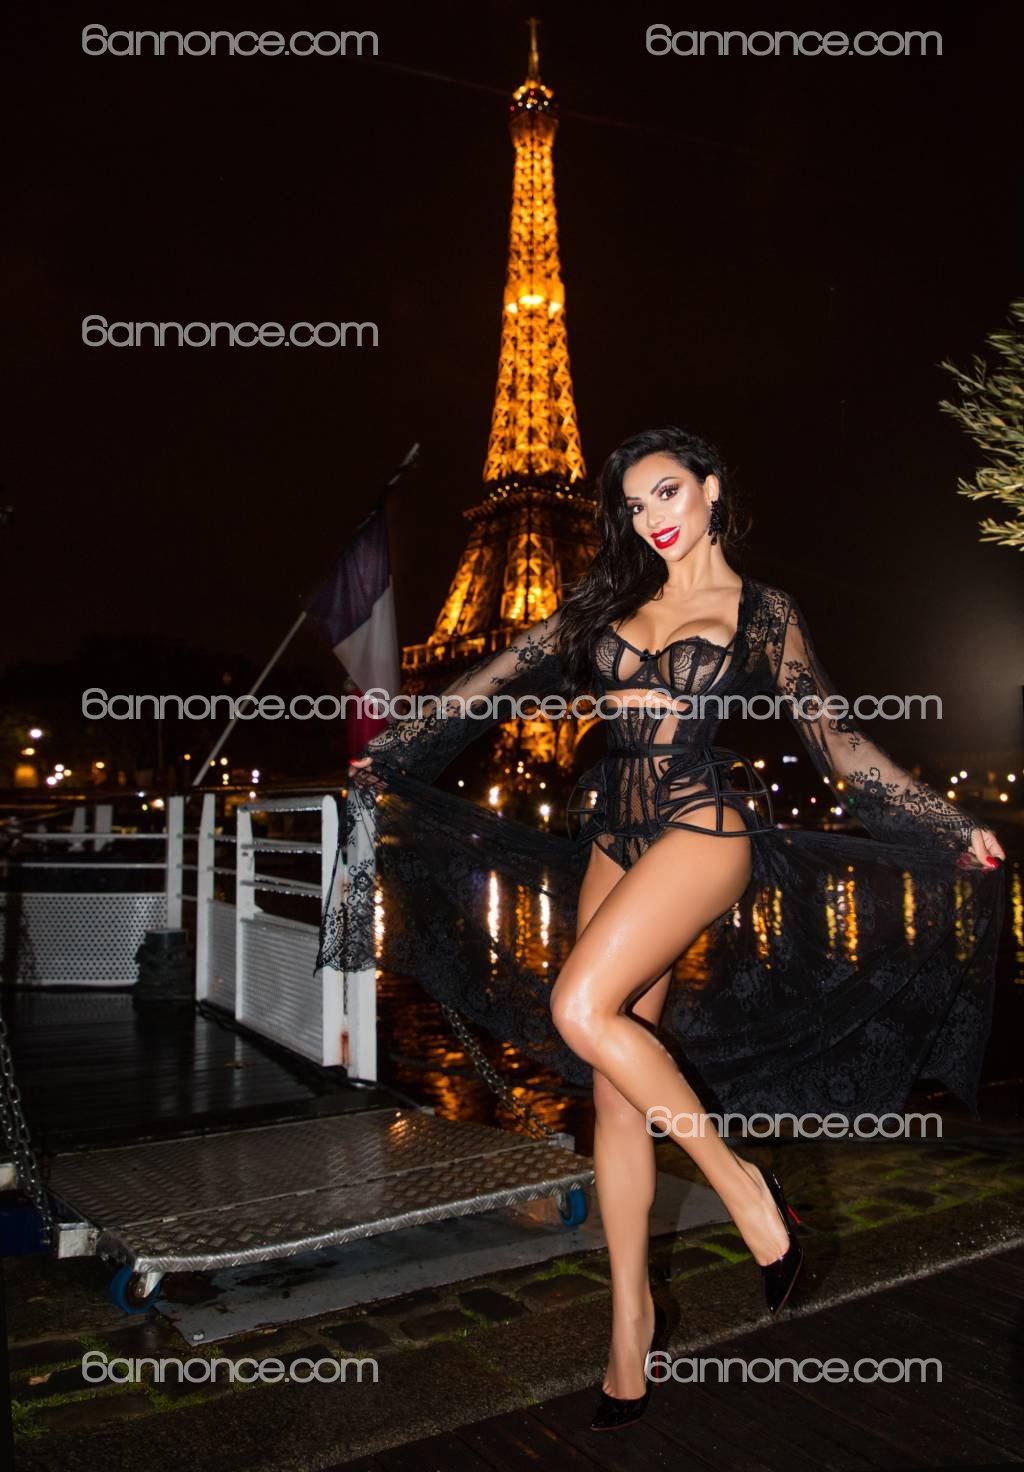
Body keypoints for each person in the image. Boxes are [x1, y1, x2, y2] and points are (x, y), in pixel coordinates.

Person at [318, 425, 1006, 1432]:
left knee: (578, 1008)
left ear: (712, 488)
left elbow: (838, 740)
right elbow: (492, 676)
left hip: (701, 827)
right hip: (612, 833)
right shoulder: (606, 599)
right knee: (612, 1088)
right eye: (635, 506)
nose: (653, 519)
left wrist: (944, 822)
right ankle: (630, 1324)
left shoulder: (761, 611)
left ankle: (746, 1188)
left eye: (668, 492)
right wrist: (393, 749)